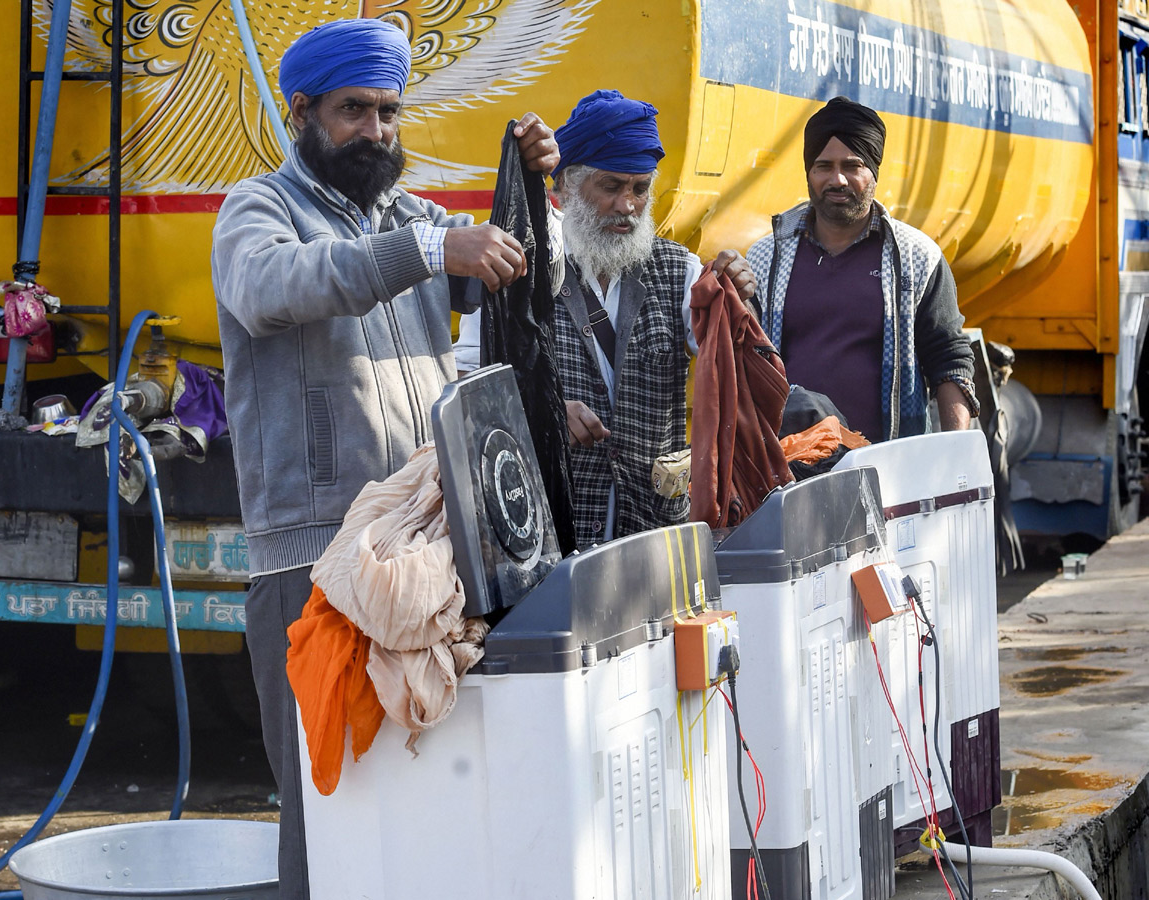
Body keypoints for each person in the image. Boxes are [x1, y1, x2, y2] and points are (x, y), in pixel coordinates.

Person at [209, 19, 560, 900]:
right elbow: (272, 287)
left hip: (422, 562)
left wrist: (534, 194)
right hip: (314, 562)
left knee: (416, 798)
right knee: (327, 805)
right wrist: (430, 250)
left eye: (388, 113)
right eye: (352, 111)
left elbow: (527, 282)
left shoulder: (412, 216)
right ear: (303, 113)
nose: (375, 131)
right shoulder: (257, 209)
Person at [456, 89, 756, 543]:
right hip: (553, 527)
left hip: (656, 530)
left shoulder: (681, 270)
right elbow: (467, 381)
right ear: (565, 189)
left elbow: (731, 361)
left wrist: (739, 300)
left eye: (640, 188)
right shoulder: (520, 269)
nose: (627, 206)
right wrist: (545, 410)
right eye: (611, 187)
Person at [746, 95, 978, 442]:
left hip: (889, 470)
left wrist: (957, 454)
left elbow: (949, 359)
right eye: (824, 166)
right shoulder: (766, 257)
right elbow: (744, 363)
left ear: (873, 173)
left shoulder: (915, 257)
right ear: (809, 172)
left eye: (852, 166)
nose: (837, 179)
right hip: (791, 467)